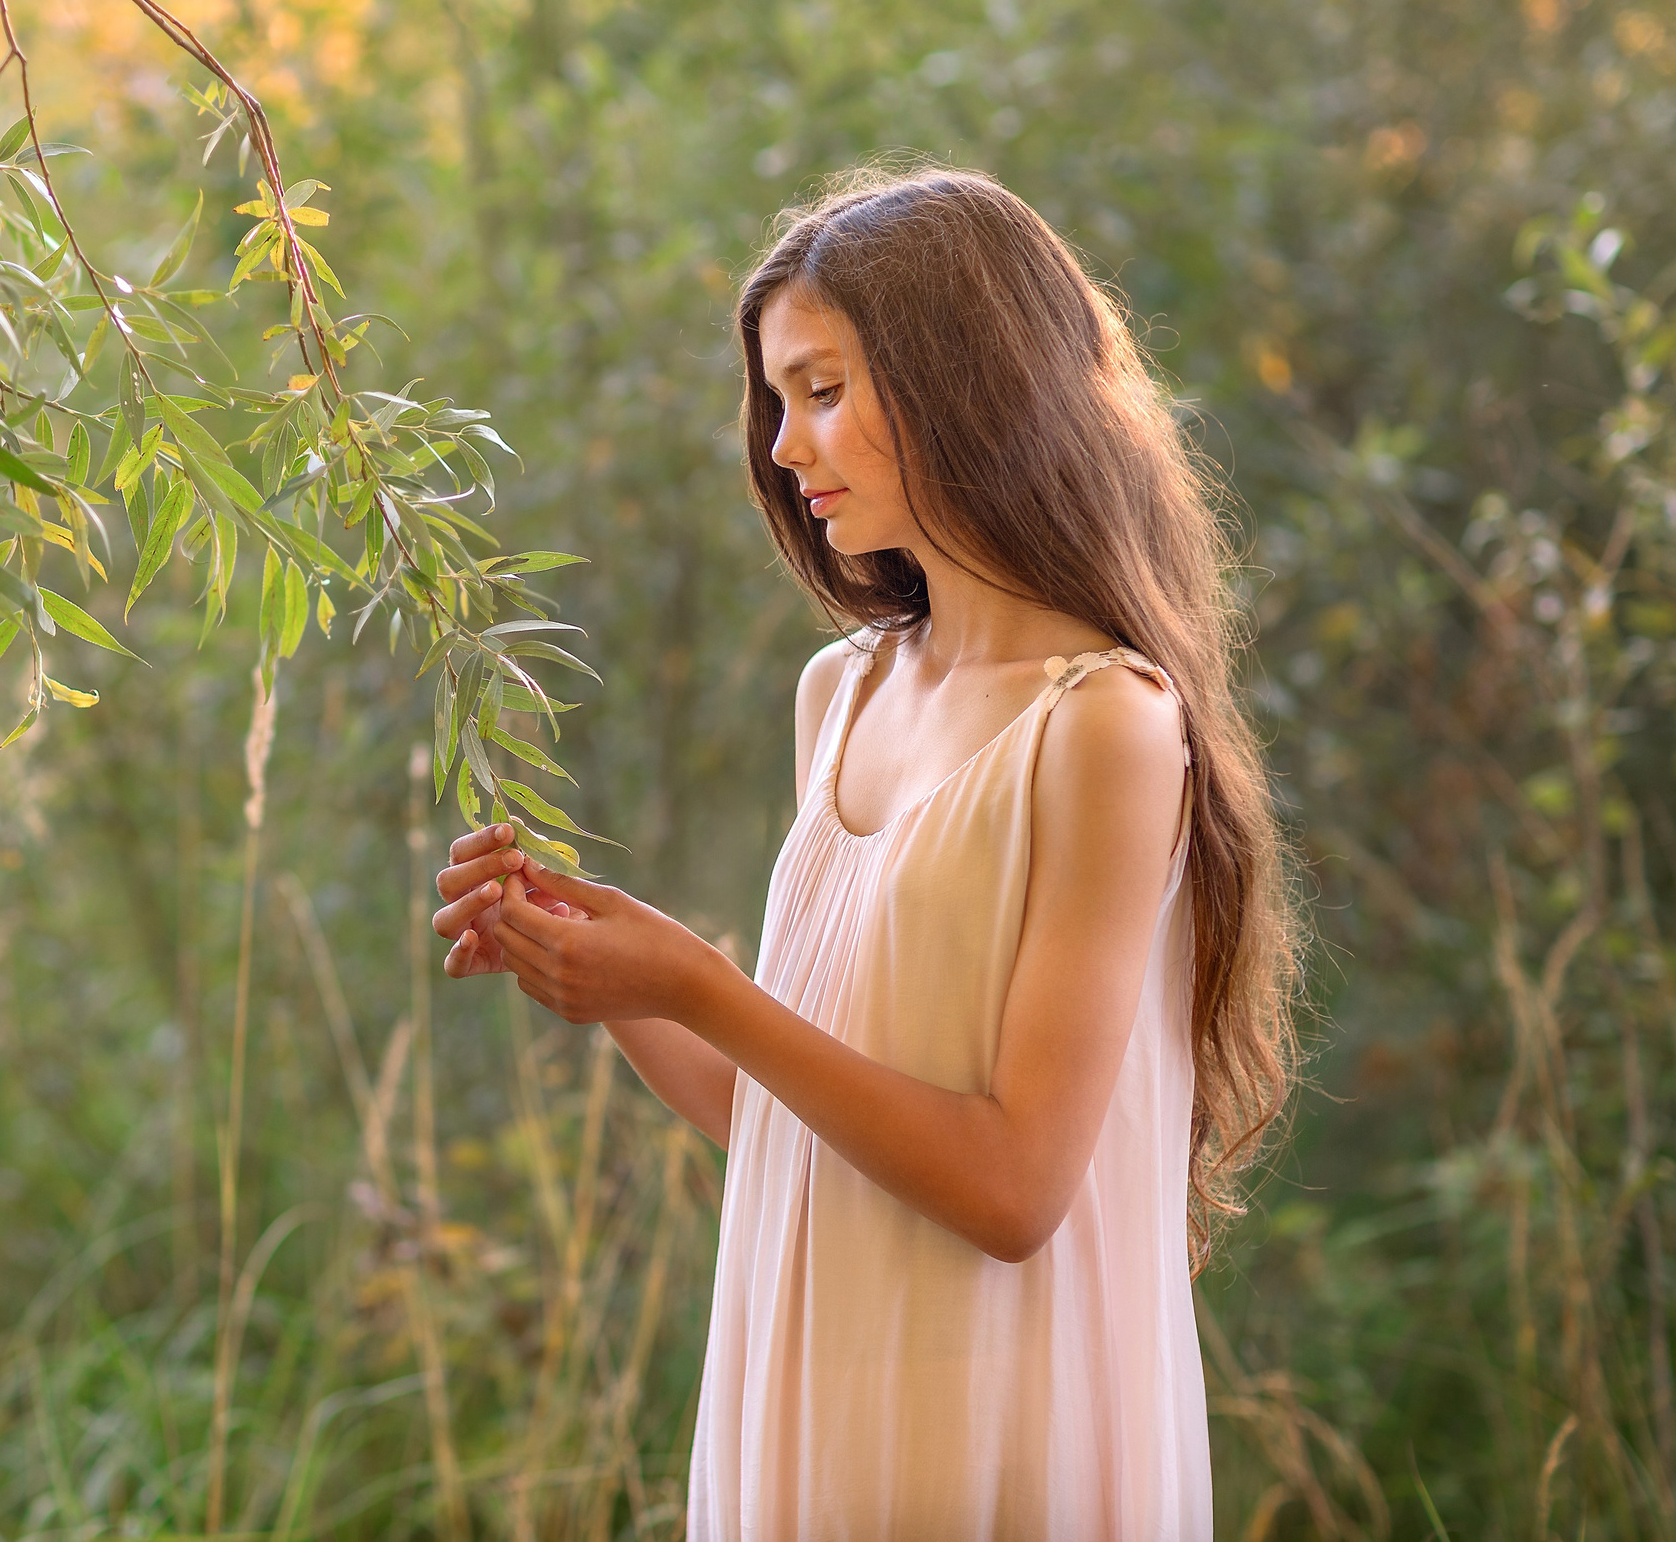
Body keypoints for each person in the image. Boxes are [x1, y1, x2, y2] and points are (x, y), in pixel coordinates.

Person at [433, 166, 1297, 1539]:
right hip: (807, 1409)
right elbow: (790, 1122)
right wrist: (619, 985)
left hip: (998, 1431)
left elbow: (1013, 1190)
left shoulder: (1107, 730)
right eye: (779, 399)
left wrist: (701, 982)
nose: (783, 446)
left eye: (823, 390)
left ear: (969, 385)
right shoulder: (840, 696)